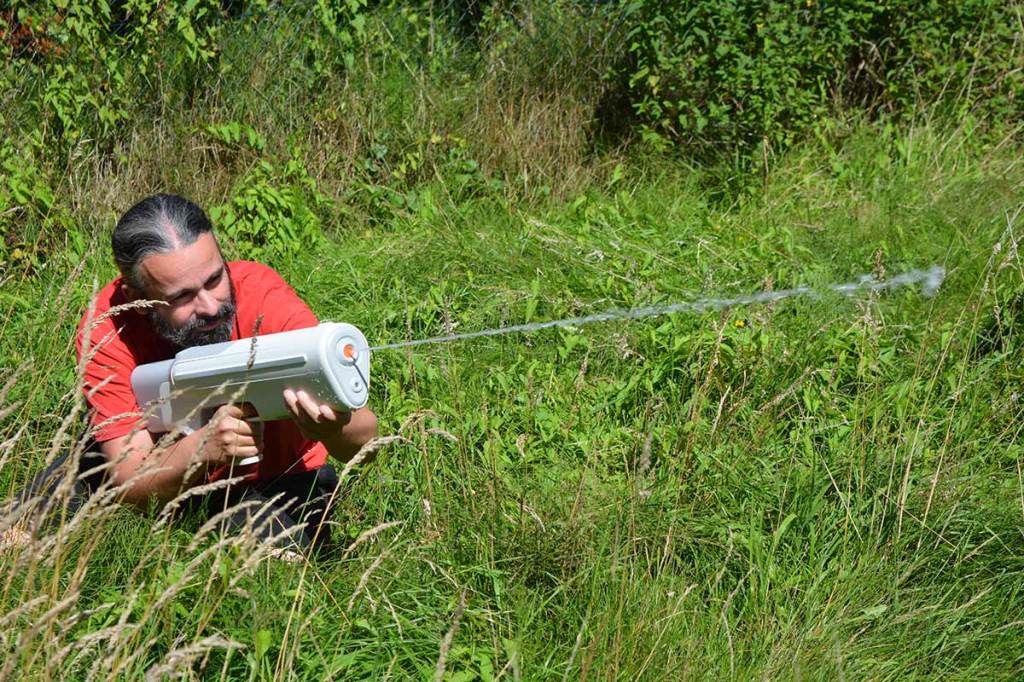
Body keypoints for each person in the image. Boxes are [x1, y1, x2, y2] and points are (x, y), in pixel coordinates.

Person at [23, 194, 377, 558]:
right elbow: (128, 478)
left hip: (274, 482)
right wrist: (203, 449)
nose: (210, 307)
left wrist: (333, 429)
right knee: (25, 528)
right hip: (162, 474)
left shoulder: (263, 297)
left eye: (214, 279)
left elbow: (366, 438)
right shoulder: (108, 324)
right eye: (182, 297)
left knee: (262, 569)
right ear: (137, 298)